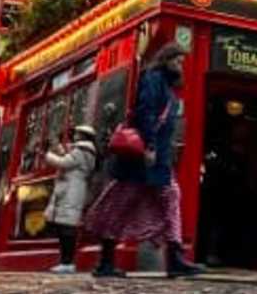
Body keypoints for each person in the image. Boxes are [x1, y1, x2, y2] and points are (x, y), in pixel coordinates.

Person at [82, 43, 200, 279]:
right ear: (166, 59)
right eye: (177, 61)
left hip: (158, 159)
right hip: (141, 157)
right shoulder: (152, 78)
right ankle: (106, 261)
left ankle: (175, 258)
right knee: (120, 204)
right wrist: (150, 145)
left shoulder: (168, 86)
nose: (180, 66)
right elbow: (145, 111)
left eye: (181, 62)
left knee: (170, 198)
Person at [46, 124, 97, 273]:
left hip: (71, 190)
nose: (75, 136)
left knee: (67, 228)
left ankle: (67, 262)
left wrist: (47, 155)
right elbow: (69, 159)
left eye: (77, 134)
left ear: (82, 136)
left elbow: (63, 163)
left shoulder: (80, 151)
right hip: (74, 189)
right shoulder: (85, 151)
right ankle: (66, 262)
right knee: (66, 226)